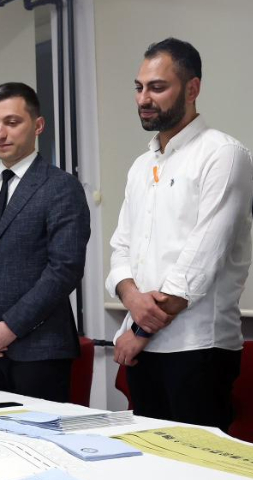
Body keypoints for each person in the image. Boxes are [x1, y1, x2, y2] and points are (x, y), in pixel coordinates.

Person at [107, 38, 253, 431]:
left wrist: (139, 328)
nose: (144, 98)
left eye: (157, 87)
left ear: (192, 89)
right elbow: (121, 247)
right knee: (151, 464)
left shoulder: (224, 154)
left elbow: (200, 262)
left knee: (198, 469)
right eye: (139, 88)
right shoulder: (141, 165)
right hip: (142, 348)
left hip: (198, 348)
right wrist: (131, 297)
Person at [0, 82, 90, 402]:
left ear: (38, 125)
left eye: (12, 122)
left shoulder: (60, 187)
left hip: (40, 351)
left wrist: (9, 328)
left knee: (38, 446)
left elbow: (64, 269)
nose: (0, 133)